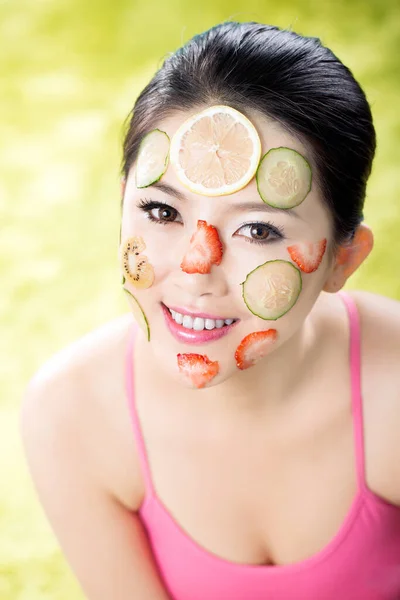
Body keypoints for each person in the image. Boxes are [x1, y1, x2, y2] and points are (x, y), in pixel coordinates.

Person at [20, 21, 400, 600]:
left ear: (343, 260)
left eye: (258, 228)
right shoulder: (72, 414)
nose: (197, 264)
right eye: (163, 212)